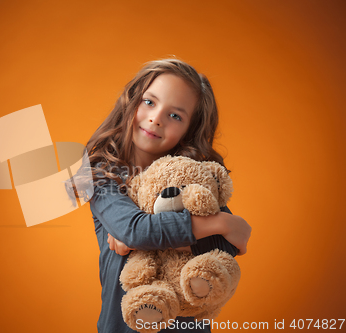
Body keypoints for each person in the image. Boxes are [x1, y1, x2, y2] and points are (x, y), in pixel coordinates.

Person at [72, 58, 251, 332]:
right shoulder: (101, 174)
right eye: (149, 102)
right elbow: (134, 230)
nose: (156, 118)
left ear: (189, 131)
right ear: (131, 101)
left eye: (175, 115)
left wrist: (150, 236)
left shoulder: (192, 176)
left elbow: (225, 248)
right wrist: (223, 223)